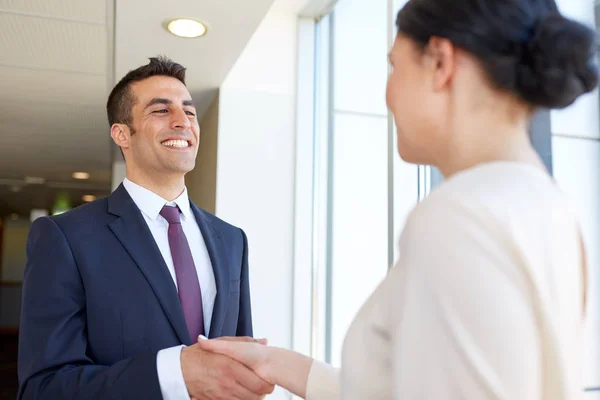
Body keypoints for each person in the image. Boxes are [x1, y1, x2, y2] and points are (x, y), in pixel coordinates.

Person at [197, 0, 598, 399]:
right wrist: (277, 363)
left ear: (440, 62)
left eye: (393, 66)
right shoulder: (550, 209)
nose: (388, 94)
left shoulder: (459, 217)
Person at [18, 57, 274, 400]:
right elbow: (43, 388)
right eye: (161, 111)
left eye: (189, 111)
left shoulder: (231, 240)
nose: (183, 121)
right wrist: (177, 372)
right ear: (122, 133)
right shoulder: (65, 237)